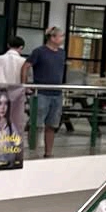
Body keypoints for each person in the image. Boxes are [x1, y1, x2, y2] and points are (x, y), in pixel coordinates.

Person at [26, 26, 66, 159]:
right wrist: (25, 85)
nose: (62, 39)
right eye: (61, 36)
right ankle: (32, 151)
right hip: (41, 93)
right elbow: (26, 66)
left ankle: (48, 152)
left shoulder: (62, 53)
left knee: (52, 125)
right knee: (36, 124)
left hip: (56, 94)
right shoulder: (39, 51)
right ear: (52, 38)